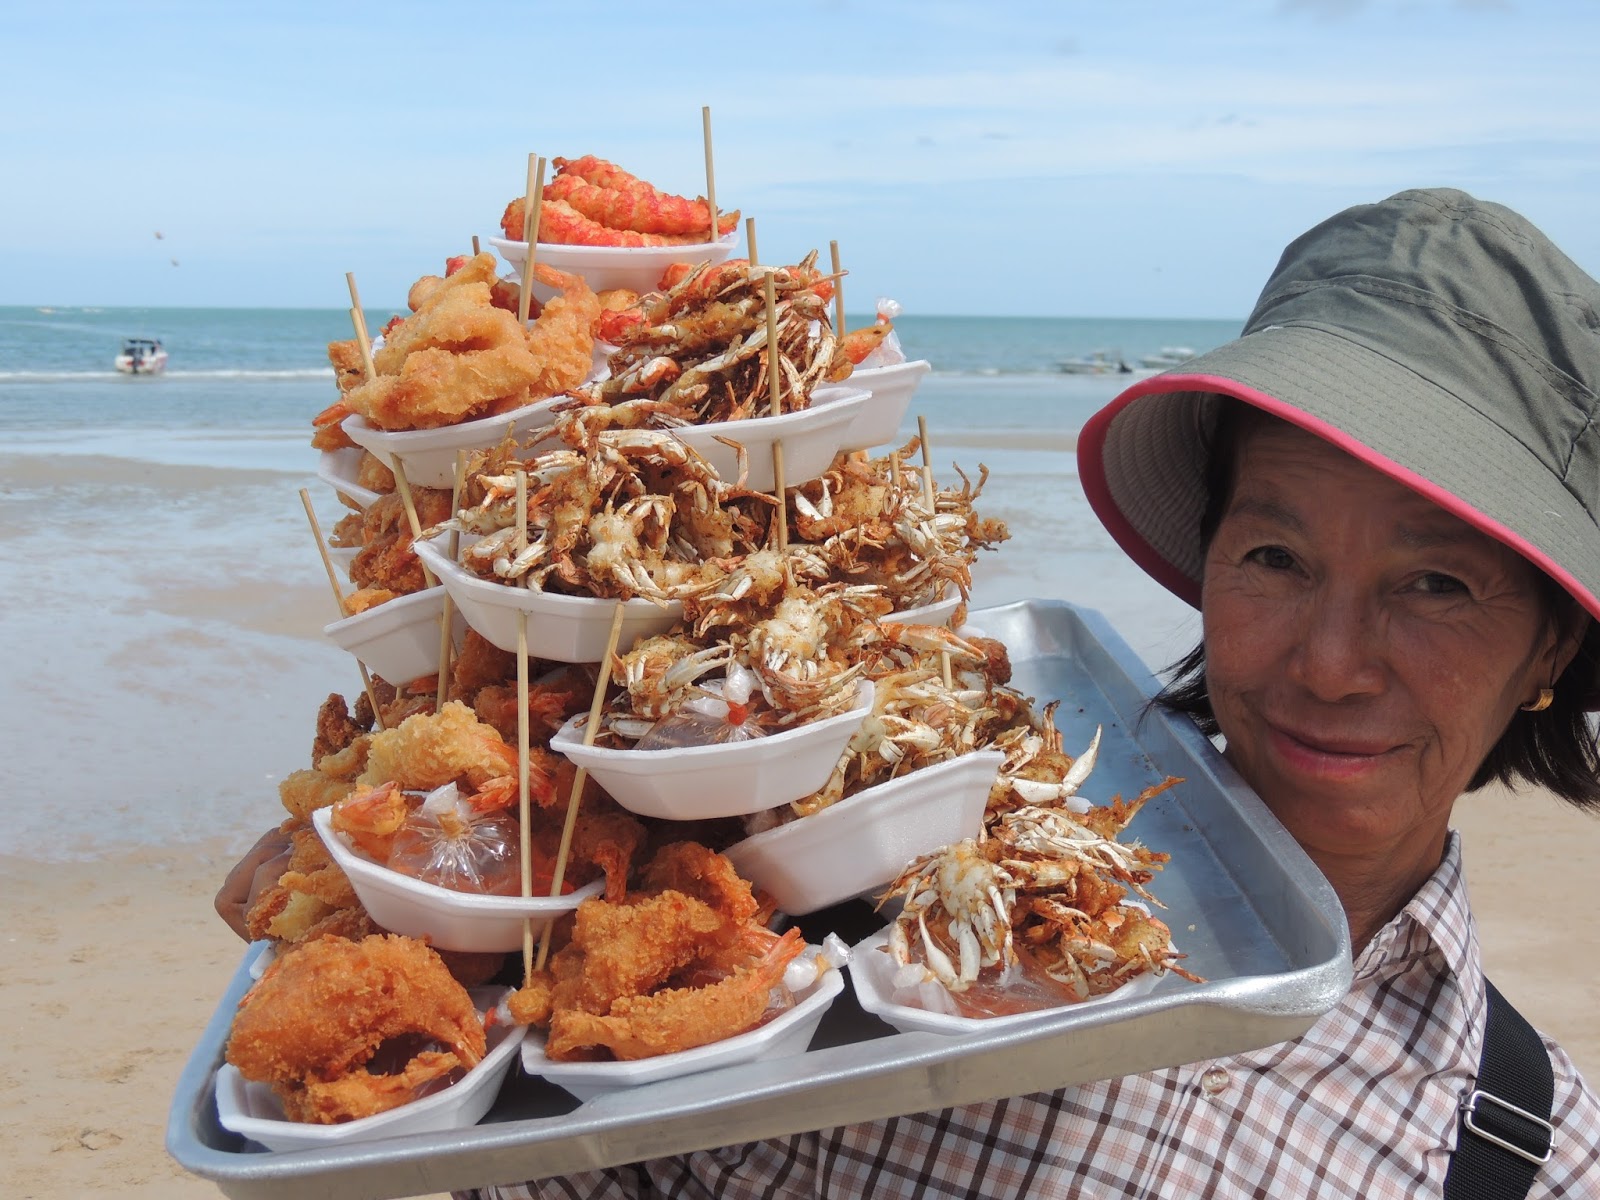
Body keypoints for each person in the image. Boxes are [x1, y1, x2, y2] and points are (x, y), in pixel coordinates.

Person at [443, 189, 1600, 1197]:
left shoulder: (1529, 1153)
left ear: (1550, 645)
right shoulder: (852, 895)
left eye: (1438, 583)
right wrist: (474, 965)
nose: (1330, 664)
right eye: (1274, 559)